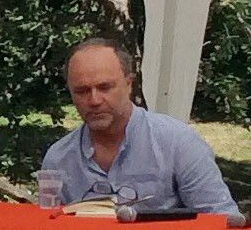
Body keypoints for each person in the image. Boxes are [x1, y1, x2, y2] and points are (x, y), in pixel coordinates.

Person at [35, 38, 238, 216]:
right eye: (82, 91)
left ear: (129, 84)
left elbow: (220, 223)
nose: (94, 100)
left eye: (105, 87)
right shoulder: (58, 159)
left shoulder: (178, 145)